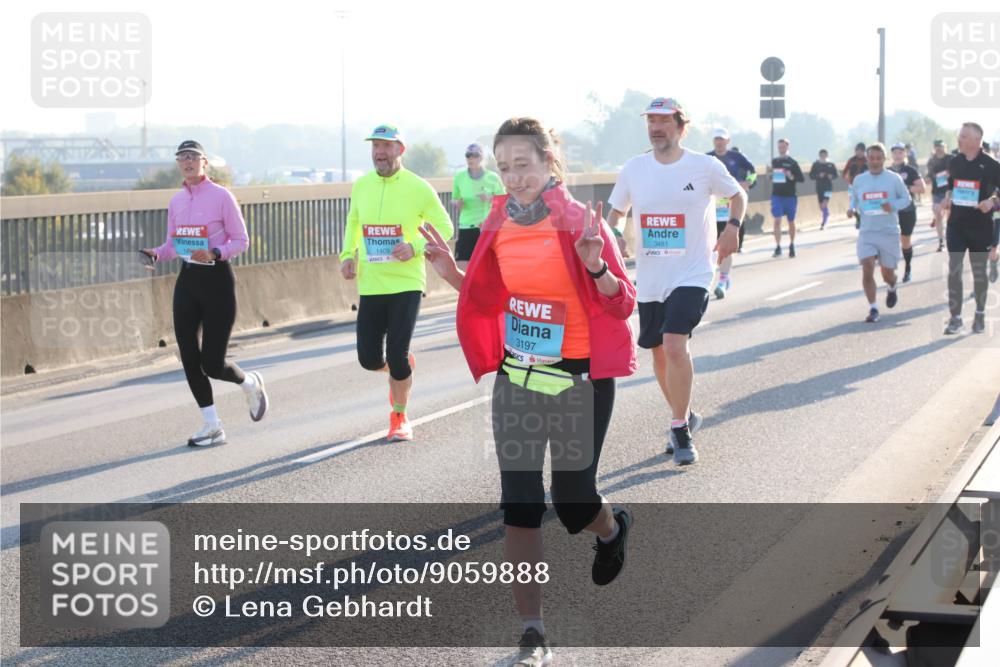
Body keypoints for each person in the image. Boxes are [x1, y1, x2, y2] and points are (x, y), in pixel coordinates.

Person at [420, 117, 637, 667]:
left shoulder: (579, 223)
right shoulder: (499, 218)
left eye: (524, 166)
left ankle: (611, 527)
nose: (514, 179)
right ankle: (533, 631)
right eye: (504, 168)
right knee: (519, 505)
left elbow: (623, 303)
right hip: (517, 379)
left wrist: (597, 269)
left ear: (548, 164)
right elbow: (489, 297)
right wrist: (452, 271)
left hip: (579, 381)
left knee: (572, 501)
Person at [607, 98, 746, 464]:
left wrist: (732, 228)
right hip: (652, 276)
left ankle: (680, 430)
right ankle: (684, 415)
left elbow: (738, 195)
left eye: (664, 121)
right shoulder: (634, 168)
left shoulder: (704, 166)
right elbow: (617, 211)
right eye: (651, 121)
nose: (656, 127)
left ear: (682, 127)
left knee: (673, 344)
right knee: (657, 351)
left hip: (694, 272)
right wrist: (615, 234)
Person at [140, 140, 267, 447]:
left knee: (212, 363)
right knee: (188, 357)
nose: (187, 162)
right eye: (182, 157)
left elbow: (242, 241)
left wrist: (214, 253)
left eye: (193, 157)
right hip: (187, 282)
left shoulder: (222, 196)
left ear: (204, 163)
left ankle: (249, 383)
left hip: (218, 282)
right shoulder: (176, 201)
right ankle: (212, 425)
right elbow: (173, 246)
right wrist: (155, 254)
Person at [339, 124, 454, 441]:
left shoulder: (418, 187)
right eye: (376, 145)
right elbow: (353, 222)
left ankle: (400, 417)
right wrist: (347, 255)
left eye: (387, 146)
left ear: (400, 150)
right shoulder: (362, 185)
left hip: (406, 283)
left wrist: (416, 246)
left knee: (397, 355)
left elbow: (445, 227)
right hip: (372, 284)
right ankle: (400, 367)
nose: (380, 152)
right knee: (369, 359)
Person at [942, 123, 1000, 335]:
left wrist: (992, 202)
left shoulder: (992, 165)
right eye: (959, 135)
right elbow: (951, 184)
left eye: (964, 136)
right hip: (956, 224)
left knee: (978, 272)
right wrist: (948, 198)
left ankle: (980, 313)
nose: (959, 139)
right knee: (954, 268)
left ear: (977, 140)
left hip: (981, 226)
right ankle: (955, 318)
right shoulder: (955, 161)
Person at [846, 143, 911, 323]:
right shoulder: (859, 180)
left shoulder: (894, 178)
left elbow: (906, 199)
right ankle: (873, 308)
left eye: (878, 158)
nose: (874, 162)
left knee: (887, 273)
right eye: (871, 158)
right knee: (867, 267)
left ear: (884, 159)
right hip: (867, 232)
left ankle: (892, 286)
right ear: (867, 159)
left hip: (888, 231)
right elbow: (855, 198)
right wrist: (851, 209)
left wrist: (893, 206)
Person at [706, 126, 755, 298]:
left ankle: (723, 280)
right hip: (712, 208)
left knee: (726, 245)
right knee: (711, 246)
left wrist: (747, 183)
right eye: (716, 139)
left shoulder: (736, 157)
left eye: (722, 139)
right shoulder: (707, 158)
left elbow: (753, 172)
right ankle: (717, 279)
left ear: (728, 141)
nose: (719, 142)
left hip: (732, 207)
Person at [451, 142, 506, 270]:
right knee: (461, 266)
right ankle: (467, 290)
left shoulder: (493, 178)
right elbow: (454, 198)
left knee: (488, 266)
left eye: (474, 155)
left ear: (482, 158)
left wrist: (490, 198)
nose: (471, 159)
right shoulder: (459, 177)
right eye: (468, 155)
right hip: (466, 225)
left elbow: (504, 201)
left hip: (486, 227)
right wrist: (457, 203)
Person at [888, 142, 926, 282]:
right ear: (891, 154)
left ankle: (908, 269)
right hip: (891, 212)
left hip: (907, 210)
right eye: (895, 152)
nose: (897, 155)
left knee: (905, 240)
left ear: (905, 154)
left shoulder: (911, 170)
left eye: (900, 152)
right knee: (889, 240)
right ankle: (890, 270)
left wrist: (905, 189)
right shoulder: (887, 171)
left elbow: (921, 188)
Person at [770, 138, 805, 257]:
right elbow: (772, 176)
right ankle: (778, 246)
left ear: (787, 147)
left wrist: (791, 176)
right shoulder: (775, 161)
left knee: (791, 221)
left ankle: (792, 244)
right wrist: (770, 175)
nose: (781, 149)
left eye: (783, 147)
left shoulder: (793, 162)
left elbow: (801, 178)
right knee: (777, 220)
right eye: (779, 147)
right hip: (777, 195)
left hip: (790, 196)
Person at [926, 139, 950, 252]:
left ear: (945, 147)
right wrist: (928, 179)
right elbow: (929, 175)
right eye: (937, 147)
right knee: (938, 215)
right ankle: (941, 242)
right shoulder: (932, 161)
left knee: (950, 217)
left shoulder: (951, 159)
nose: (939, 149)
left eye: (941, 147)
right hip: (937, 192)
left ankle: (951, 238)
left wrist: (949, 174)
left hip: (950, 192)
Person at [809, 148, 839, 230]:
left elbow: (836, 175)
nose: (823, 156)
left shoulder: (831, 164)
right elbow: (811, 176)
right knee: (821, 206)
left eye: (824, 155)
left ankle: (824, 222)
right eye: (821, 155)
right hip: (819, 187)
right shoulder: (816, 164)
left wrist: (831, 176)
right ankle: (826, 213)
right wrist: (818, 175)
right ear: (819, 155)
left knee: (824, 204)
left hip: (828, 187)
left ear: (827, 155)